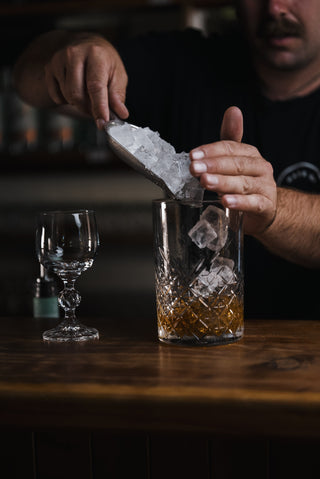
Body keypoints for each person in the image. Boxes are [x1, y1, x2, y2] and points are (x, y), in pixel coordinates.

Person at [13, 0, 320, 319]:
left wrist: (272, 209)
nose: (275, 8)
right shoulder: (188, 63)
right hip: (197, 339)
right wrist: (76, 50)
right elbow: (26, 77)